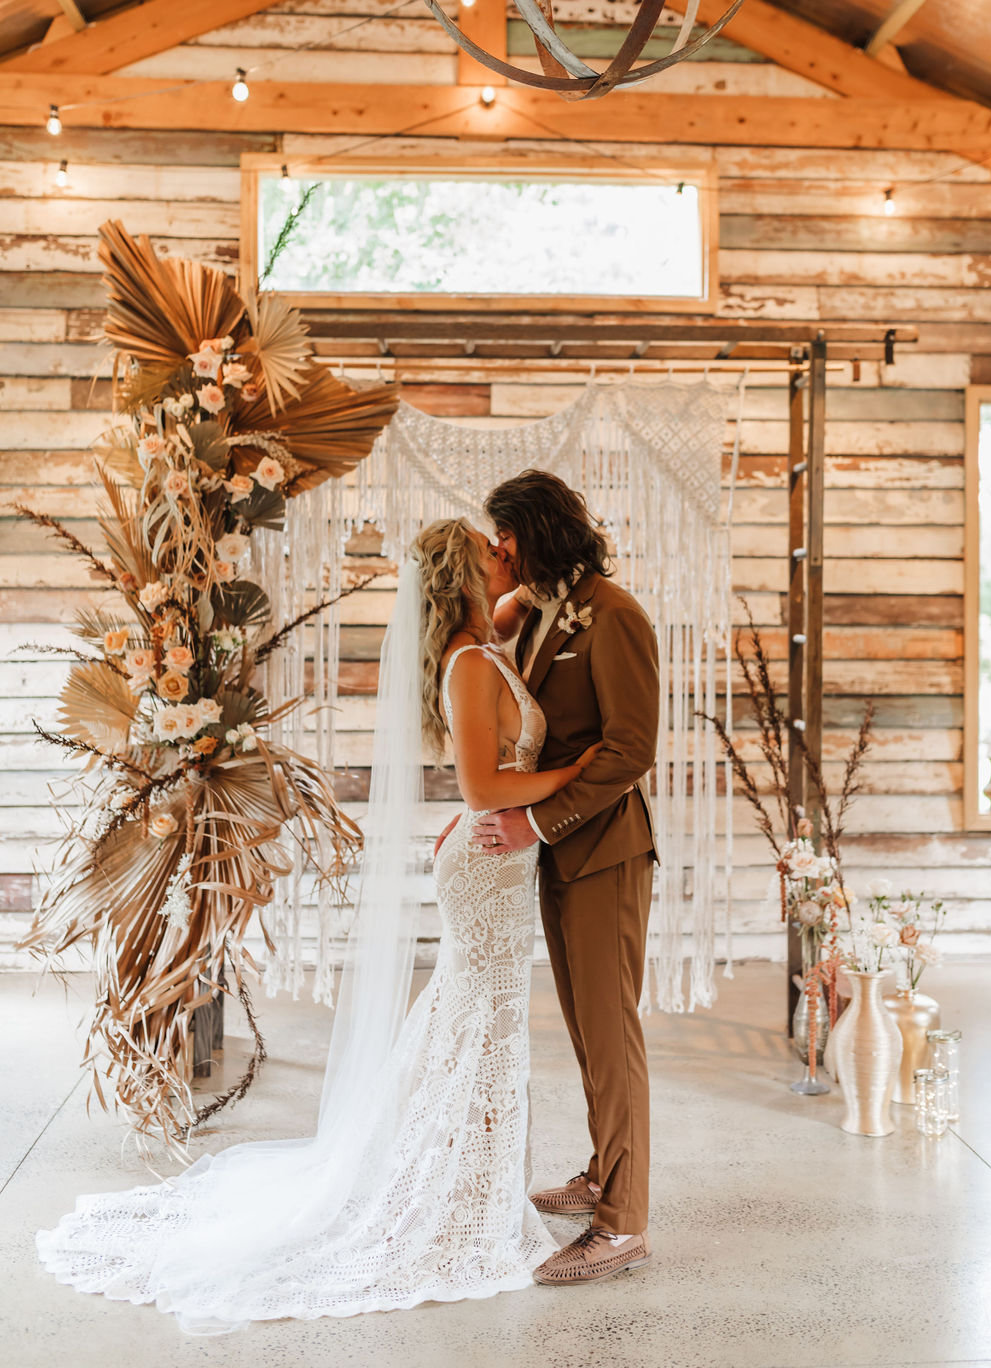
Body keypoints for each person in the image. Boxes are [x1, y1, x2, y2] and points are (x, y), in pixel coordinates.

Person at [35, 517, 597, 1332]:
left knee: (478, 1022)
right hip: (485, 861)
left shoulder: (486, 641)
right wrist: (585, 769)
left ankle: (471, 1184)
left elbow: (516, 604)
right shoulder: (473, 666)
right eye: (488, 550)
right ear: (461, 576)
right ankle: (458, 1201)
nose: (501, 556)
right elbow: (482, 790)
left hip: (496, 864)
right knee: (485, 1022)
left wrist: (541, 573)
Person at [477, 469, 660, 1286]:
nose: (496, 549)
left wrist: (533, 821)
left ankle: (621, 1225)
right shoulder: (550, 605)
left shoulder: (615, 617)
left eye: (503, 534)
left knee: (612, 1037)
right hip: (562, 854)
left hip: (606, 854)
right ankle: (602, 1174)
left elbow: (630, 749)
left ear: (536, 529)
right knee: (587, 1033)